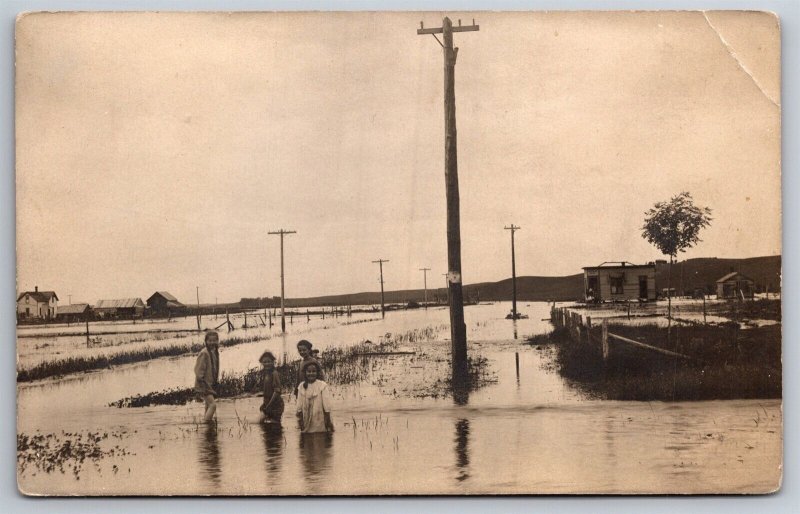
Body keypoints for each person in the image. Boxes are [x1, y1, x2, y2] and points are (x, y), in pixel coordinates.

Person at [296, 361, 334, 433]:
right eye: (309, 371)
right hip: (306, 415)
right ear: (305, 373)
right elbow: (299, 405)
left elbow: (326, 404)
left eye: (314, 371)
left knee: (320, 435)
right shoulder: (301, 386)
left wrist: (328, 419)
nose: (311, 373)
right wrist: (300, 420)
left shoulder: (322, 385)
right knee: (307, 435)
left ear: (317, 373)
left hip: (319, 416)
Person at [194, 330, 220, 422]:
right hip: (204, 384)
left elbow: (214, 369)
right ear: (206, 341)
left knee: (208, 405)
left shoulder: (214, 352)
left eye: (214, 340)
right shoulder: (204, 353)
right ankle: (206, 423)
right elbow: (198, 371)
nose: (212, 342)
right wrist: (202, 382)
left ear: (217, 341)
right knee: (213, 405)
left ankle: (207, 425)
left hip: (210, 384)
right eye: (210, 340)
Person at [259, 350, 284, 424]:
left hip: (276, 404)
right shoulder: (266, 373)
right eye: (265, 362)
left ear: (273, 362)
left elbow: (277, 391)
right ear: (261, 363)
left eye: (269, 361)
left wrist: (269, 405)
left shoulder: (274, 373)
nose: (267, 364)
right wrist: (264, 404)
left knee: (275, 425)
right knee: (267, 426)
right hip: (268, 404)